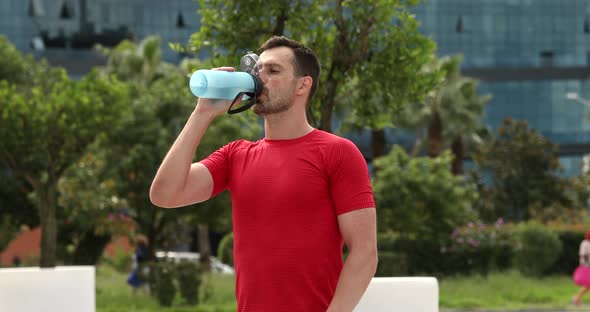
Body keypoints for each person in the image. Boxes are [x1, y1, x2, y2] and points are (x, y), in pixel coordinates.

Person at [150, 36, 377, 312]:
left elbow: (364, 253)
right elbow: (164, 194)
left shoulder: (338, 153)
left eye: (273, 71)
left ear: (303, 85)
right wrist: (203, 112)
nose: (260, 78)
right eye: (258, 70)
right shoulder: (235, 155)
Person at [573, 230, 590, 306]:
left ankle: (576, 298)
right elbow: (583, 254)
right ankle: (576, 298)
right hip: (587, 265)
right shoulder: (585, 243)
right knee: (588, 284)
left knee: (588, 285)